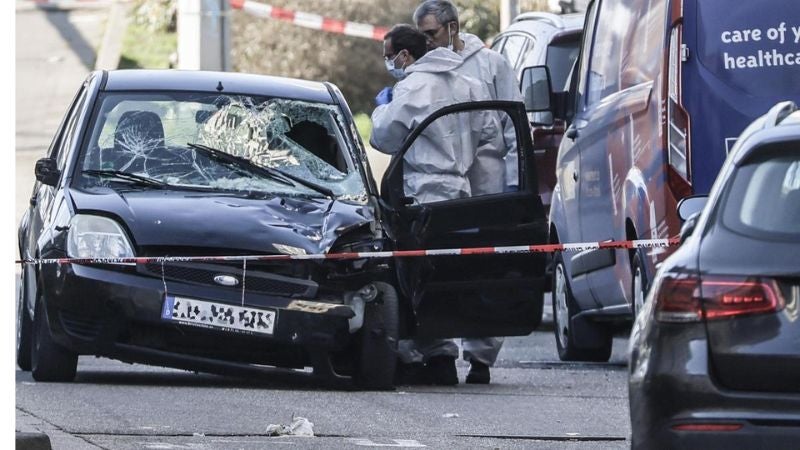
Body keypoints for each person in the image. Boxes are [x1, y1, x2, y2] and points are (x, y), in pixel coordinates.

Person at [370, 24, 503, 385]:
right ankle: (460, 358)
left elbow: (383, 137)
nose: (389, 63)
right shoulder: (469, 83)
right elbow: (492, 132)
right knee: (452, 277)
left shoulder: (412, 87)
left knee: (416, 279)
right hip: (462, 194)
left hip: (422, 196)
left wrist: (383, 109)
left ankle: (429, 357)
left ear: (405, 56)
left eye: (389, 57)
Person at [413, 0, 524, 384]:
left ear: (453, 27)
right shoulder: (423, 70)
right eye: (423, 37)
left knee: (484, 263)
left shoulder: (492, 65)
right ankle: (439, 351)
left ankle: (481, 357)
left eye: (432, 34)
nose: (429, 43)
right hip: (442, 177)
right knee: (438, 264)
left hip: (486, 175)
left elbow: (513, 124)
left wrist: (513, 187)